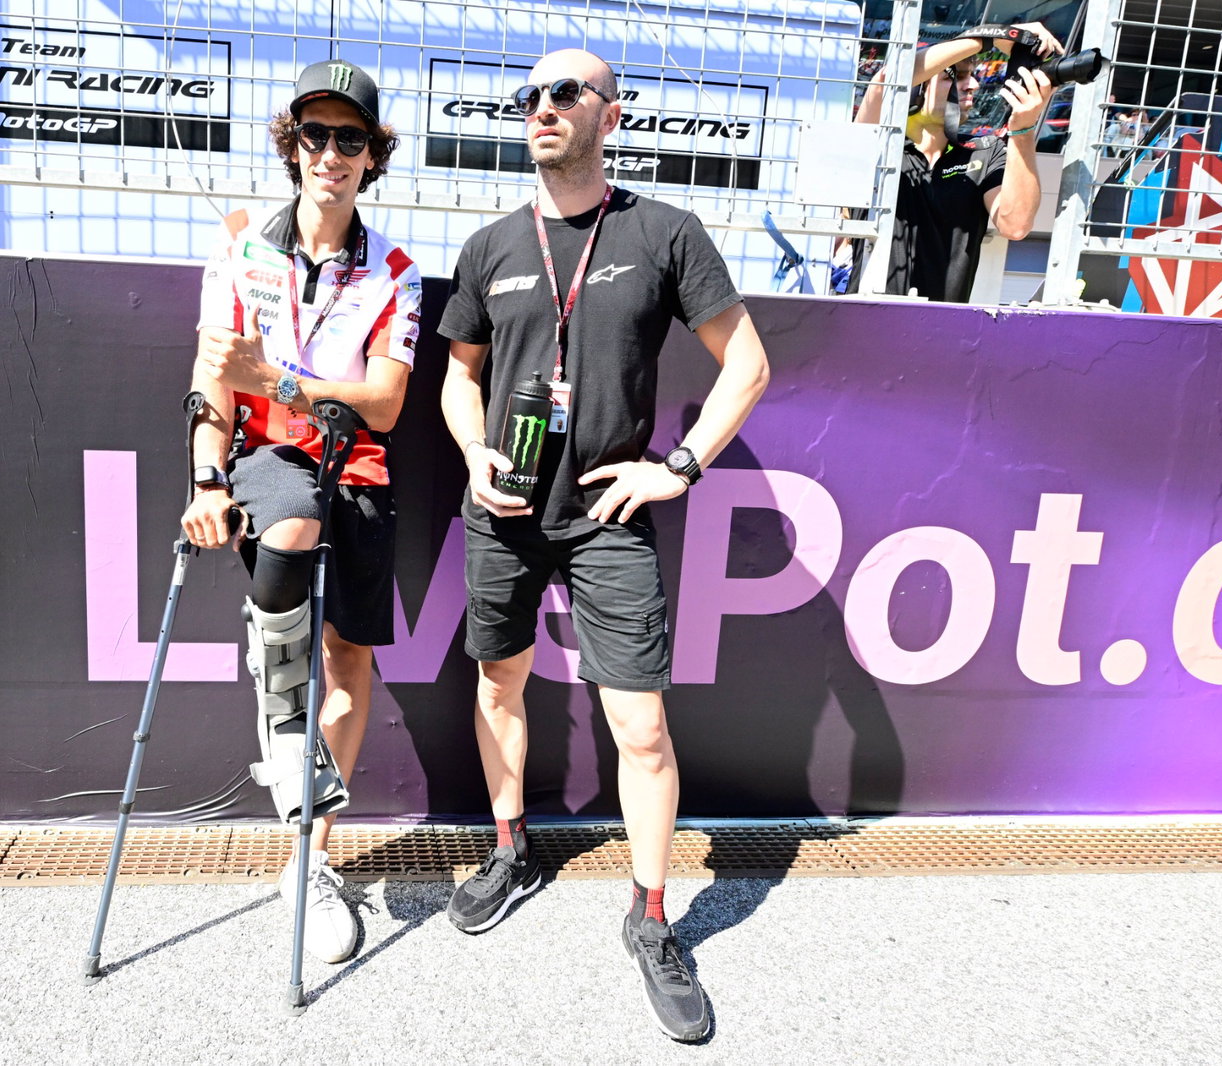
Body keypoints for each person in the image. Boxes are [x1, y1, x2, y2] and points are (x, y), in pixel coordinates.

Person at [436, 48, 770, 1042]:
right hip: (502, 512)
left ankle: (652, 916)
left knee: (641, 729)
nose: (541, 107)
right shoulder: (492, 245)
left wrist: (677, 466)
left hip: (608, 518)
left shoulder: (662, 233)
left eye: (563, 93)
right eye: (528, 96)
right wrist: (472, 451)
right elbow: (458, 376)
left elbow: (746, 364)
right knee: (498, 689)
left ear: (609, 115)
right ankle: (510, 848)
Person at [180, 58, 420, 965]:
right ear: (294, 147)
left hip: (357, 465)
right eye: (314, 135)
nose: (330, 153)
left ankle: (310, 859)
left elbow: (386, 404)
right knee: (287, 527)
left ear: (371, 156)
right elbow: (213, 382)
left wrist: (276, 378)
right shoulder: (242, 247)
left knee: (350, 656)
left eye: (349, 138)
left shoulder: (396, 270)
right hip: (272, 459)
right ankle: (282, 728)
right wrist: (206, 479)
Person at [855, 23, 1061, 301]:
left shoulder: (984, 152)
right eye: (956, 76)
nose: (973, 85)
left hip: (943, 328)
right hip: (866, 319)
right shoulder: (879, 148)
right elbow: (884, 85)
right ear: (915, 90)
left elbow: (1015, 225)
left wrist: (1023, 131)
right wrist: (992, 36)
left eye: (973, 75)